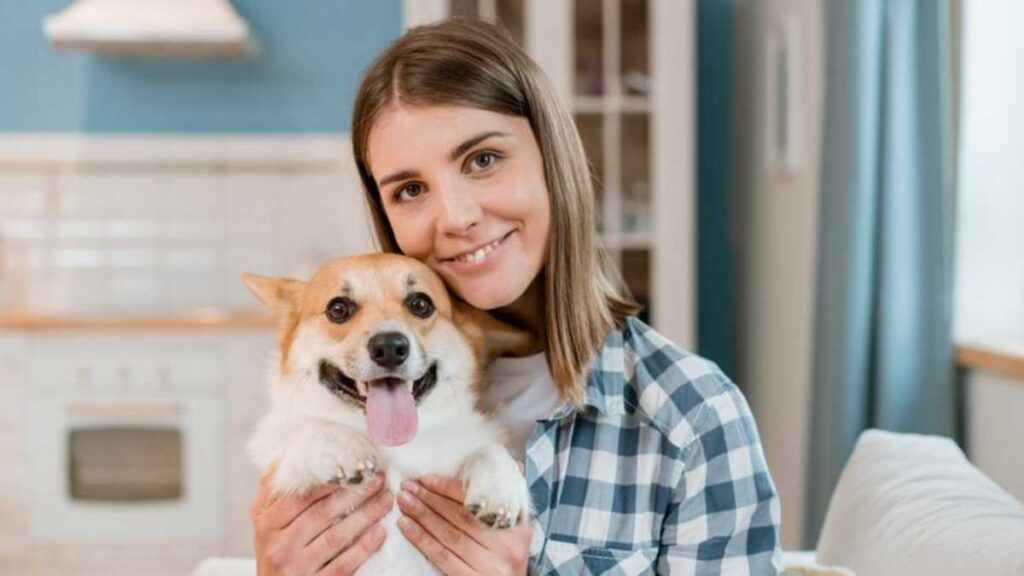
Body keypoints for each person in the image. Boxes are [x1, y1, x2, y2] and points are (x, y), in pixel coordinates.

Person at [250, 18, 782, 576]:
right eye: (410, 190)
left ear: (554, 158)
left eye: (482, 160)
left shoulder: (692, 420)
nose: (456, 217)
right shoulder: (342, 401)